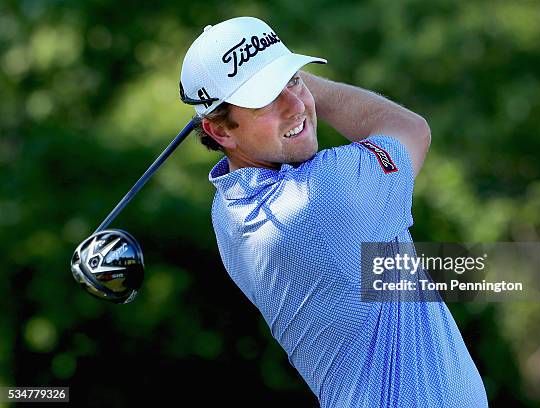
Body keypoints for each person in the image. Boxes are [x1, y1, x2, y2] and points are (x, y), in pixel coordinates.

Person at [179, 16, 488, 407]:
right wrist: (308, 89)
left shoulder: (228, 211)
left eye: (293, 80)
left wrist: (278, 77)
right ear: (220, 132)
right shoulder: (321, 199)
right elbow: (409, 128)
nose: (295, 106)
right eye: (266, 97)